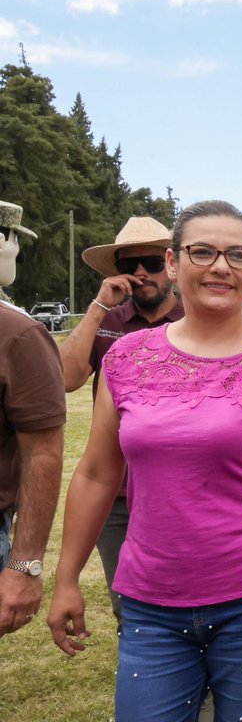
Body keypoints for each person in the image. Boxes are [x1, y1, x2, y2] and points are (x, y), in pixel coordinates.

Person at [48, 200, 242, 718]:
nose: (221, 266)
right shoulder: (127, 359)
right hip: (151, 597)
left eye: (237, 255)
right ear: (173, 263)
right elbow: (98, 474)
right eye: (203, 251)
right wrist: (66, 578)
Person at [58, 216, 184, 626]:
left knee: (185, 599)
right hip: (117, 493)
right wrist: (97, 308)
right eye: (129, 266)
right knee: (127, 604)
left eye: (149, 261)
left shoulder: (192, 320)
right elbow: (65, 378)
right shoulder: (108, 322)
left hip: (177, 488)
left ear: (170, 264)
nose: (141, 273)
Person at [0, 202, 66, 638]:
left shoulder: (16, 333)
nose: (17, 253)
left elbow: (43, 451)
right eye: (15, 241)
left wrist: (24, 565)